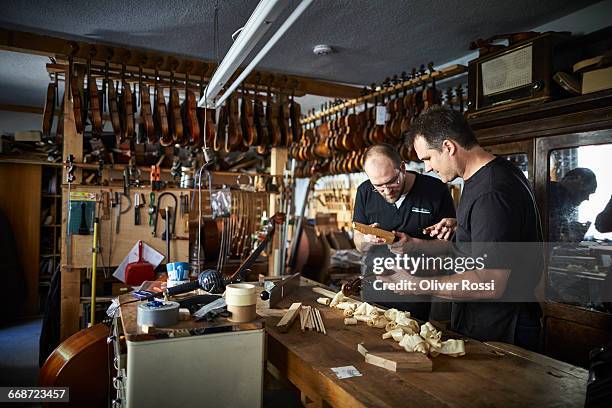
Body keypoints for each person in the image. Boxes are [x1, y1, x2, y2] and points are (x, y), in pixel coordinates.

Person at [379, 105, 544, 351]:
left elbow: (490, 281)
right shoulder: (487, 175)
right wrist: (423, 244)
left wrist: (416, 284)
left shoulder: (491, 192)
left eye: (427, 158)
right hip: (484, 321)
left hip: (502, 329)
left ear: (448, 147)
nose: (428, 169)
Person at [352, 143, 456, 320]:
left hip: (417, 292)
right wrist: (368, 239)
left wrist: (414, 245)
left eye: (392, 182)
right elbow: (358, 243)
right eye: (379, 186)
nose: (386, 191)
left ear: (402, 168)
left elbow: (449, 247)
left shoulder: (435, 190)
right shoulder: (365, 192)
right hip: (374, 290)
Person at [549, 167, 597, 241]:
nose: (587, 198)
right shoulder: (550, 191)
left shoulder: (562, 201)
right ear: (577, 180)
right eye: (588, 191)